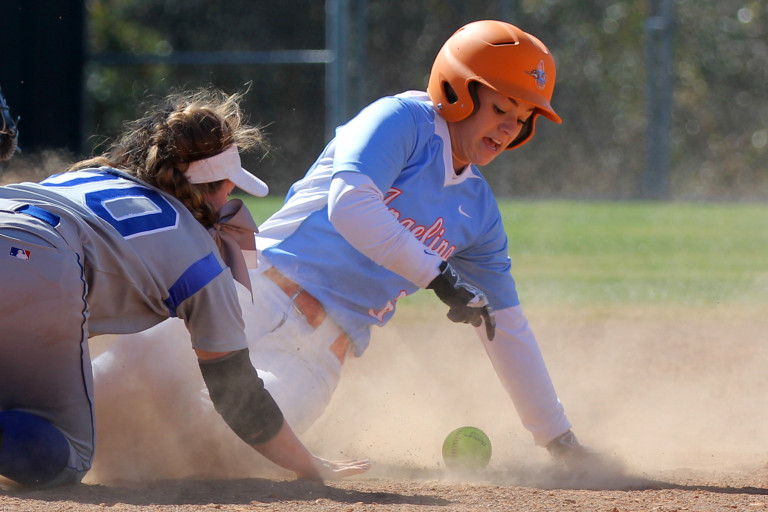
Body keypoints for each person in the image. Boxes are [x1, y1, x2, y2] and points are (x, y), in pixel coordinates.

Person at [92, 20, 593, 475]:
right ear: (458, 89)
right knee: (116, 384)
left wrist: (557, 437)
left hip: (315, 360)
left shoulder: (478, 213)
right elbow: (350, 204)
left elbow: (502, 325)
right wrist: (437, 275)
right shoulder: (402, 122)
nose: (510, 127)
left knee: (224, 448)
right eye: (502, 107)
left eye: (523, 116)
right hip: (248, 297)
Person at [0, 87, 369, 489]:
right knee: (65, 458)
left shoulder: (93, 175)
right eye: (231, 185)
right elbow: (236, 393)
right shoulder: (199, 258)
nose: (234, 196)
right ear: (214, 187)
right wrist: (307, 465)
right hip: (39, 260)